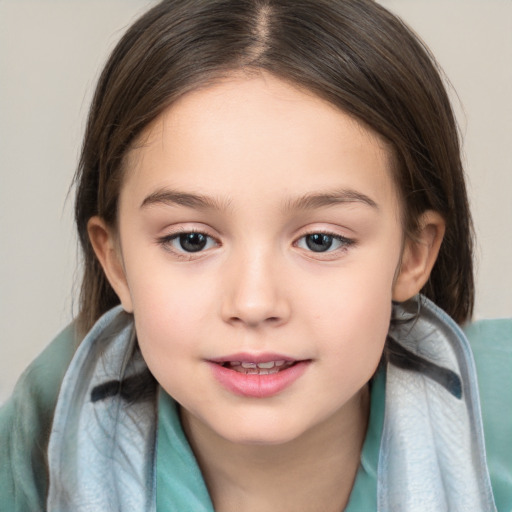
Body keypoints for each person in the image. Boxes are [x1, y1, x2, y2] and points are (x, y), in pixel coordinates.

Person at [1, 0, 510, 510]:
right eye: (191, 240)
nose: (253, 302)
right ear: (116, 262)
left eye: (320, 240)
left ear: (412, 255)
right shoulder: (45, 427)